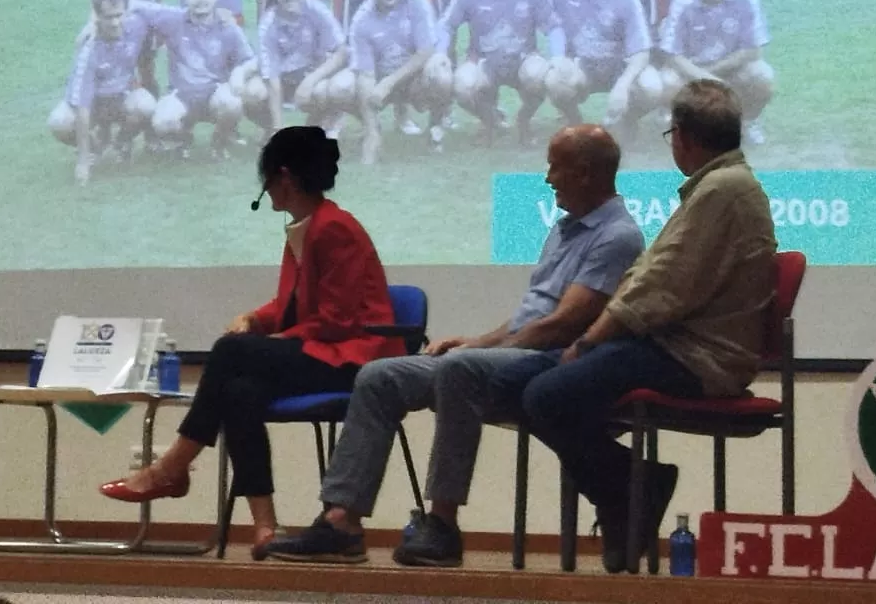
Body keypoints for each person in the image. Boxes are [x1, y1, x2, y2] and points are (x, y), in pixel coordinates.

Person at [265, 126, 643, 566]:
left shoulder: (618, 235)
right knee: (380, 376)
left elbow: (564, 325)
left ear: (584, 172)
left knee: (458, 370)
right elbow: (531, 317)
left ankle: (442, 524)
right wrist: (474, 342)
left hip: (554, 364)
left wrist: (473, 355)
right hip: (517, 352)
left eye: (554, 166)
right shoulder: (565, 229)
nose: (547, 178)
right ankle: (341, 522)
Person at [98, 126, 402, 558]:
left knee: (230, 351)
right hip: (321, 350)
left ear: (284, 178)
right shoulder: (307, 227)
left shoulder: (335, 229)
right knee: (239, 390)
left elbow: (337, 321)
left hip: (353, 357)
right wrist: (256, 320)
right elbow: (292, 303)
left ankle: (171, 467)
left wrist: (275, 338)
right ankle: (265, 526)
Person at [520, 79, 777, 573]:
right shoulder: (720, 185)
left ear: (682, 136)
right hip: (682, 348)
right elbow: (655, 274)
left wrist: (591, 338)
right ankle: (629, 496)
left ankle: (635, 490)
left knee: (544, 395)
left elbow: (662, 284)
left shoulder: (721, 190)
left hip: (697, 358)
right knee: (551, 387)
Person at [427, 0, 563, 147]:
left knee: (540, 75)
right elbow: (446, 24)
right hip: (483, 62)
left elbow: (553, 27)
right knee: (462, 86)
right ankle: (492, 120)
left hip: (523, 59)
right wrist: (441, 53)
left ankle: (524, 120)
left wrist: (558, 57)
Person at [544, 0, 662, 136]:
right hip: (581, 65)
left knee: (652, 87)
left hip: (619, 65)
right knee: (554, 80)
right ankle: (575, 122)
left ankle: (625, 119)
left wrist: (622, 86)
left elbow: (642, 51)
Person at [328, 0, 443, 162]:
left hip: (412, 79)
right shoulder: (362, 18)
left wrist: (389, 83)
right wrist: (372, 131)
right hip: (378, 82)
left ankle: (435, 129)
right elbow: (365, 75)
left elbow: (425, 51)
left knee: (440, 72)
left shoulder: (417, 3)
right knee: (339, 87)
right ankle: (372, 130)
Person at [660, 0, 775, 144]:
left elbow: (754, 50)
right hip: (691, 71)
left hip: (729, 68)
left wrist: (712, 74)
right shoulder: (683, 3)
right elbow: (672, 56)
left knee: (763, 75)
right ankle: (680, 125)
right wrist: (704, 78)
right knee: (666, 81)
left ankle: (748, 122)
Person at [135, 0, 257, 158]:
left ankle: (220, 138)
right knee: (161, 122)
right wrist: (96, 20)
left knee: (232, 103)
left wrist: (239, 72)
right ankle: (184, 138)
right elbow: (132, 5)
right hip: (182, 95)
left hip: (215, 94)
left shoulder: (227, 25)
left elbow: (251, 59)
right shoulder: (173, 18)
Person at [48, 0, 158, 183]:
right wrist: (82, 161)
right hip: (93, 106)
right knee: (59, 122)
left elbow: (164, 13)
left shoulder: (136, 26)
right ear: (97, 17)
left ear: (126, 12)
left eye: (119, 15)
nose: (115, 23)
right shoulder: (89, 50)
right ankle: (94, 148)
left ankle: (121, 142)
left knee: (147, 105)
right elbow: (83, 108)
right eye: (109, 17)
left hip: (120, 99)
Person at [243, 0, 349, 132]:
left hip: (312, 74)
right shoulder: (268, 23)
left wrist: (310, 81)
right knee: (253, 93)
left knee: (324, 91)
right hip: (283, 78)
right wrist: (278, 128)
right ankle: (273, 131)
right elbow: (272, 78)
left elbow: (342, 51)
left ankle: (318, 126)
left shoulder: (318, 9)